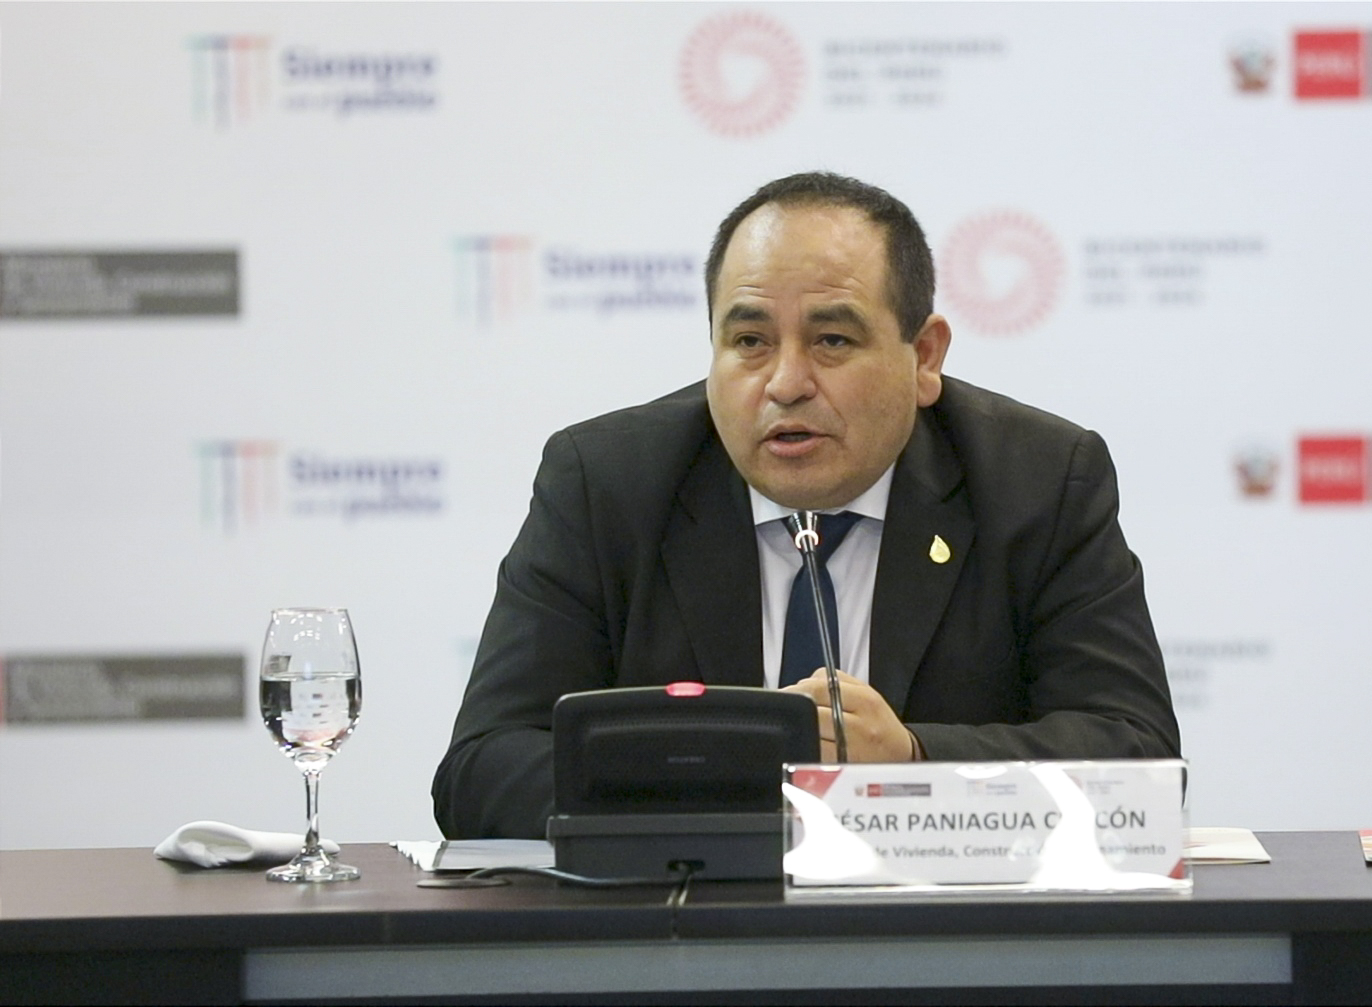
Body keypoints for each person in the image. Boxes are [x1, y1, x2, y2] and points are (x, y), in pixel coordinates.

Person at [433, 172, 1179, 839]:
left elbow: (1140, 762)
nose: (786, 382)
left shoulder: (1039, 483)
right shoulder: (607, 483)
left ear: (924, 357)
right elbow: (480, 769)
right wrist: (727, 775)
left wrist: (913, 764)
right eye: (749, 340)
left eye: (831, 340)